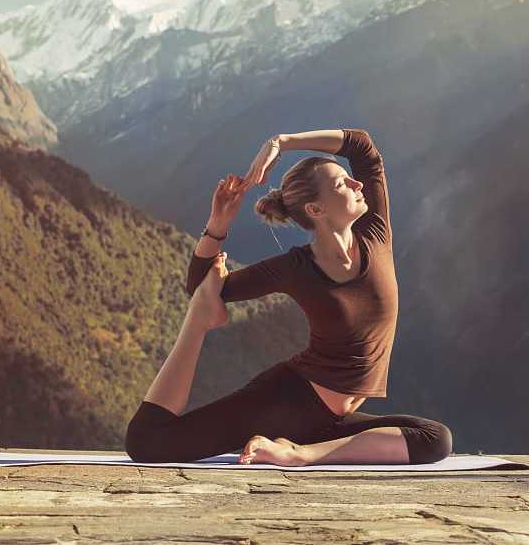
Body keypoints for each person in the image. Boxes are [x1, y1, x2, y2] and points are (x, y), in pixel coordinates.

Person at [124, 128, 452, 466]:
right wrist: (217, 224)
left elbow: (363, 148)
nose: (357, 185)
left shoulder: (375, 233)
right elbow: (201, 288)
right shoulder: (295, 268)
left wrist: (281, 142)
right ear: (315, 208)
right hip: (285, 403)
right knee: (148, 442)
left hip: (329, 425)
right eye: (342, 184)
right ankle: (197, 328)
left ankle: (301, 453)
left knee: (434, 439)